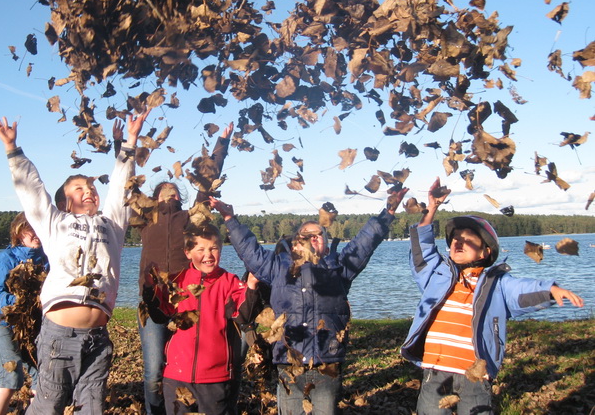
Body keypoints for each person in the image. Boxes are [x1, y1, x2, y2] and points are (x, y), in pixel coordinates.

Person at [0, 111, 149, 415]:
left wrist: (130, 141)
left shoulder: (112, 225)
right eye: (80, 189)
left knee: (92, 408)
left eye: (91, 189)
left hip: (98, 338)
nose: (89, 191)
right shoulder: (55, 222)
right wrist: (13, 150)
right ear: (64, 202)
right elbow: (33, 193)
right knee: (48, 406)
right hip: (58, 337)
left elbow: (120, 188)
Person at [210, 188, 408, 415]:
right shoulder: (277, 267)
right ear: (294, 244)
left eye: (319, 234)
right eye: (306, 235)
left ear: (325, 242)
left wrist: (389, 210)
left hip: (327, 360)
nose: (313, 238)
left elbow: (365, 241)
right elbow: (250, 250)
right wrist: (229, 219)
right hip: (288, 361)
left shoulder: (339, 268)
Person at [401, 178, 585, 415]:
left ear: (486, 251)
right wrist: (432, 209)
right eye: (456, 238)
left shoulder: (496, 284)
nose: (459, 241)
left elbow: (520, 290)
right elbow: (422, 249)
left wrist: (551, 290)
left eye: (468, 239)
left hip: (476, 374)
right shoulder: (435, 275)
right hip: (436, 371)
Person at [137, 122, 233, 415]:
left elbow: (206, 181)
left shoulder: (189, 220)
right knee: (153, 371)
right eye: (162, 191)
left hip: (186, 301)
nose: (168, 193)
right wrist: (121, 145)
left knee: (186, 365)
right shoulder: (144, 219)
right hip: (153, 301)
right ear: (154, 198)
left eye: (173, 191)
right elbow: (126, 184)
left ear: (179, 197)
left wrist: (221, 145)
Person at [146, 222, 259, 415]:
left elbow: (243, 314)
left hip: (216, 377)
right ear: (188, 253)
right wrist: (151, 289)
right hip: (177, 375)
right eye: (201, 249)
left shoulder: (229, 281)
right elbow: (160, 315)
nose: (208, 255)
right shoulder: (177, 281)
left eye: (214, 248)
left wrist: (251, 286)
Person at [0, 212, 49, 415]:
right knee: (11, 375)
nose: (36, 233)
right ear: (19, 234)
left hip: (32, 327)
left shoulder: (48, 260)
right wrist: (17, 302)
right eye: (30, 229)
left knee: (45, 375)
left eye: (39, 227)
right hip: (0, 324)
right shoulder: (4, 260)